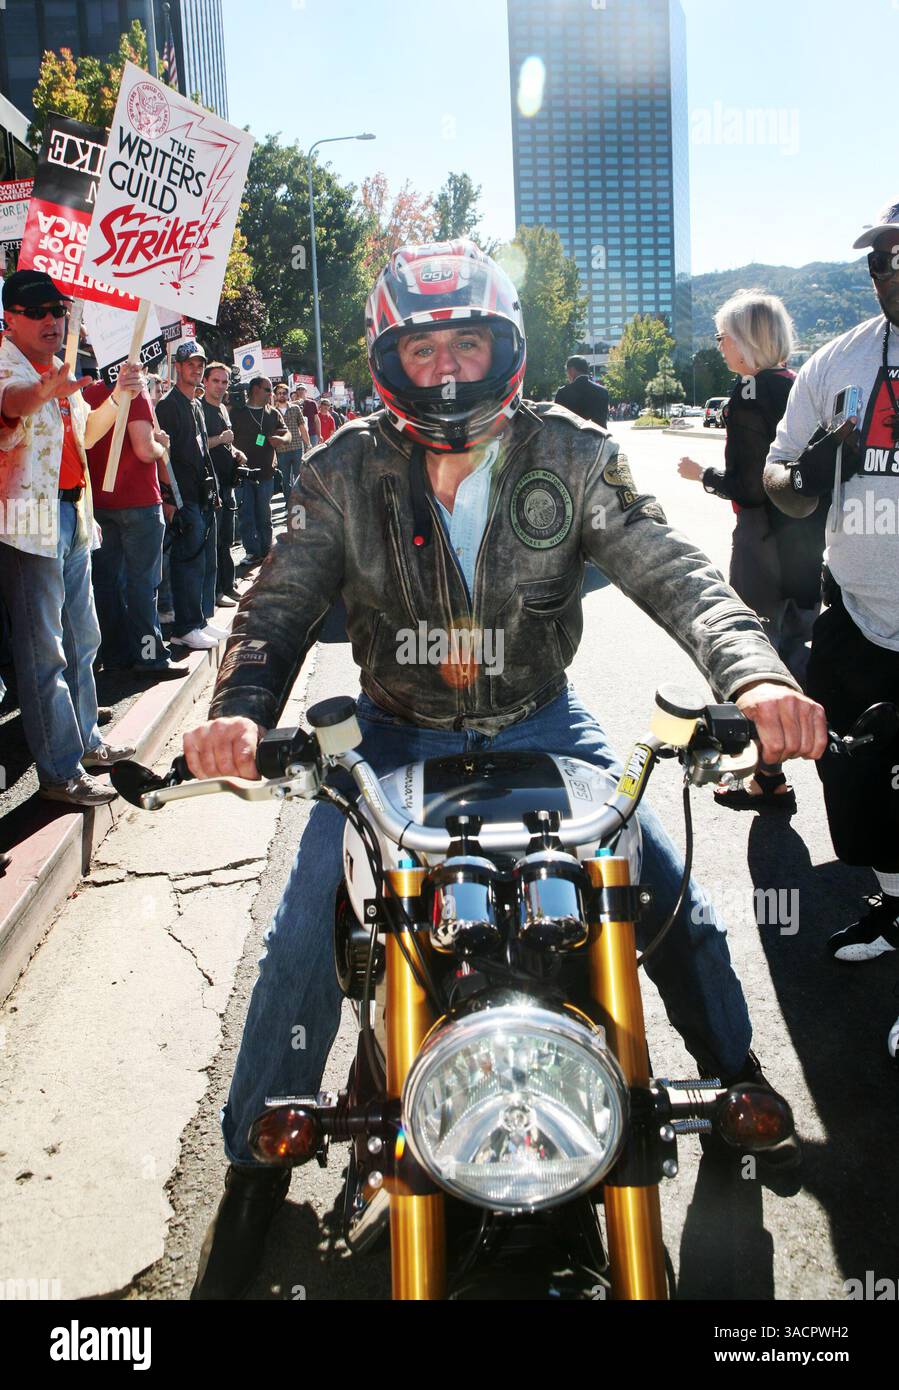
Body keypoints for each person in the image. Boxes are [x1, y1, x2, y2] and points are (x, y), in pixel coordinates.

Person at [181, 240, 826, 1299]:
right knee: (301, 923)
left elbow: (679, 573)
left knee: (669, 898)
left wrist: (756, 679)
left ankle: (731, 1081)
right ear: (390, 356)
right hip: (391, 737)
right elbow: (278, 602)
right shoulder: (339, 468)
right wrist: (238, 714)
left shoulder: (574, 452)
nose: (444, 368)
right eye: (422, 345)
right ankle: (259, 1147)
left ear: (503, 347)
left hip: (544, 720)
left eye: (465, 341)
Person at [763, 199, 899, 1061]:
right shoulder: (840, 358)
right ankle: (893, 899)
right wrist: (800, 479)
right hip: (854, 615)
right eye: (876, 258)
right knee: (850, 786)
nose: (885, 269)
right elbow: (776, 471)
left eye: (897, 254)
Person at [677, 290, 824, 812]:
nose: (719, 347)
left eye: (723, 337)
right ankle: (776, 772)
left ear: (745, 341)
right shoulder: (803, 385)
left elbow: (752, 484)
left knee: (753, 655)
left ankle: (759, 773)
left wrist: (704, 476)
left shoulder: (747, 394)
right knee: (795, 646)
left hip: (761, 541)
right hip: (807, 543)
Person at [0, 269, 139, 805]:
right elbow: (12, 404)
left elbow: (86, 432)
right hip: (27, 523)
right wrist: (44, 390)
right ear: (10, 319)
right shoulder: (11, 366)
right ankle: (59, 772)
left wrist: (120, 397)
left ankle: (86, 744)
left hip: (74, 515)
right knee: (45, 652)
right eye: (38, 311)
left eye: (58, 310)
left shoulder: (59, 369)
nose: (52, 320)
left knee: (84, 640)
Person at [84, 374, 185, 679]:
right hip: (138, 503)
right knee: (143, 584)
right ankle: (149, 655)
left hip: (101, 502)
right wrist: (162, 446)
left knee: (107, 585)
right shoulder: (134, 392)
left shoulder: (87, 394)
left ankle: (115, 653)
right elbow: (144, 448)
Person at [155, 342, 226, 651]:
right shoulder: (167, 406)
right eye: (190, 364)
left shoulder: (195, 404)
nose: (196, 369)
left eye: (200, 364)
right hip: (182, 498)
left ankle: (196, 621)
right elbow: (164, 457)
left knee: (199, 563)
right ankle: (184, 627)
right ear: (178, 367)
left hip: (201, 495)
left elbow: (200, 451)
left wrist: (214, 491)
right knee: (186, 563)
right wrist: (170, 499)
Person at [230, 376, 290, 563]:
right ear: (255, 389)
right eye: (268, 389)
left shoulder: (272, 413)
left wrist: (282, 440)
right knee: (246, 514)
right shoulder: (237, 413)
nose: (271, 393)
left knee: (264, 513)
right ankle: (252, 552)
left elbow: (286, 432)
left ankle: (267, 550)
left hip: (266, 473)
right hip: (243, 473)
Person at [202, 362, 246, 608]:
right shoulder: (199, 409)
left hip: (228, 485)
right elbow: (196, 445)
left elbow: (226, 444)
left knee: (227, 541)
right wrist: (221, 439)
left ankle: (227, 586)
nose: (220, 386)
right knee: (216, 543)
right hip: (211, 488)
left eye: (224, 382)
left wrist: (237, 452)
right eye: (216, 381)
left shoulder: (222, 409)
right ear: (205, 382)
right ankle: (217, 592)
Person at [554, 354, 610, 429]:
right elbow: (602, 423)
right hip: (597, 438)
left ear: (572, 370)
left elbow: (557, 423)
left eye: (567, 371)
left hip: (571, 439)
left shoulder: (563, 392)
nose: (567, 375)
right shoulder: (603, 391)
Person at [273, 383, 310, 495]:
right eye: (279, 393)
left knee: (299, 477)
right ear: (275, 396)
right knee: (285, 479)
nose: (282, 395)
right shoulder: (272, 412)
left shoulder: (295, 409)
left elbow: (302, 427)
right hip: (281, 450)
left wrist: (308, 444)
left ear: (288, 395)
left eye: (284, 393)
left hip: (297, 447)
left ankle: (299, 500)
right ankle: (289, 502)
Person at [295, 384, 320, 448]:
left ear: (306, 391)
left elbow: (316, 420)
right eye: (298, 389)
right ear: (296, 391)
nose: (300, 391)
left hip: (312, 434)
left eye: (302, 389)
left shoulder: (312, 403)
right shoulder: (292, 404)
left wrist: (319, 435)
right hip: (298, 436)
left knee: (312, 455)